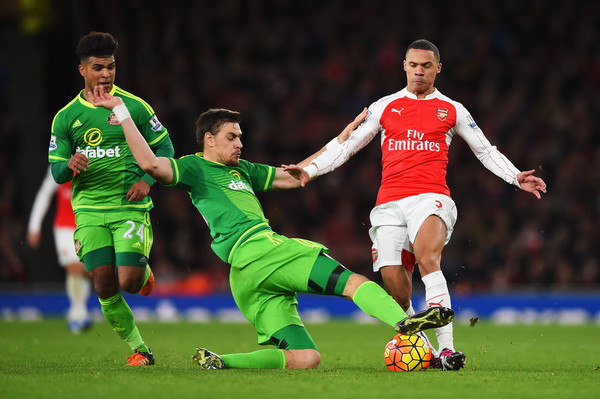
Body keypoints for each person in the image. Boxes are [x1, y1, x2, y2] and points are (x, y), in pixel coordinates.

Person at [88, 86, 454, 370]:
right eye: (232, 136)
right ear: (209, 140)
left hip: (245, 278)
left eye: (241, 136)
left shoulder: (243, 170)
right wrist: (121, 113)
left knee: (307, 357)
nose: (240, 143)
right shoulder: (193, 168)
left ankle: (222, 361)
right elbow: (152, 164)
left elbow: (296, 177)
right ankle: (407, 323)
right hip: (261, 249)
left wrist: (343, 139)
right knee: (353, 283)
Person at [299, 39, 547, 371]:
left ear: (437, 69)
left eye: (426, 66)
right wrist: (310, 169)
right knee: (396, 289)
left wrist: (515, 177)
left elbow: (486, 150)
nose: (419, 71)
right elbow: (347, 146)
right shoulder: (384, 107)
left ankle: (448, 350)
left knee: (428, 257)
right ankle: (425, 350)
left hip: (431, 197)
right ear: (404, 66)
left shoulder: (453, 109)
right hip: (388, 204)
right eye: (413, 65)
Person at [47, 32, 174, 366]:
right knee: (104, 284)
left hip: (129, 206)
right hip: (88, 211)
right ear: (82, 70)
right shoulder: (65, 117)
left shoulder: (134, 106)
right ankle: (139, 349)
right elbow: (57, 171)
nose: (105, 74)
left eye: (111, 67)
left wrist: (147, 180)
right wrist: (69, 164)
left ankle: (142, 273)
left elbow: (166, 148)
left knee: (129, 282)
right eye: (98, 67)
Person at [28, 166, 92, 333]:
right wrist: (34, 226)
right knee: (73, 268)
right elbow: (45, 193)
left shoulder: (93, 157)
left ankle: (77, 310)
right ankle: (79, 313)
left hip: (87, 224)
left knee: (85, 270)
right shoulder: (58, 164)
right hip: (64, 226)